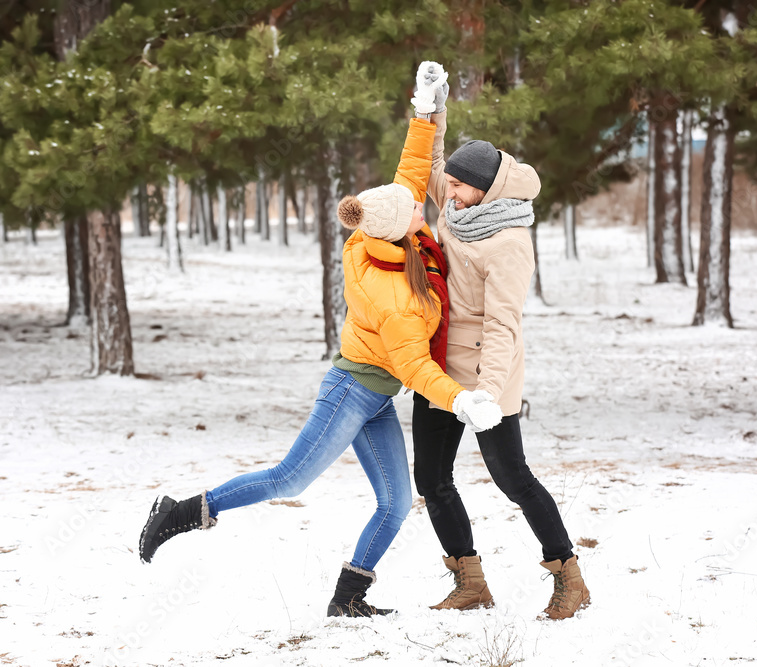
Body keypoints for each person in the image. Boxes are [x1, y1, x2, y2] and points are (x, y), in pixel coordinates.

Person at [137, 69, 504, 619]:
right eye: (414, 209)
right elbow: (413, 365)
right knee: (290, 479)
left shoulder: (382, 231)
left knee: (396, 503)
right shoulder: (392, 292)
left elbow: (407, 173)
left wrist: (424, 112)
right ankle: (181, 512)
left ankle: (348, 597)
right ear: (400, 228)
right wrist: (460, 399)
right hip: (352, 391)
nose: (421, 205)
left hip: (376, 397)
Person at [409, 63, 591, 620]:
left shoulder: (509, 240)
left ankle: (569, 578)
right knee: (432, 478)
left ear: (485, 189)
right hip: (443, 367)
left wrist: (486, 394)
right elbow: (434, 164)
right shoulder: (462, 208)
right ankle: (470, 580)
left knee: (512, 477)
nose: (451, 194)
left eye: (461, 187)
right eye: (454, 187)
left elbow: (504, 323)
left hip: (489, 370)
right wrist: (430, 109)